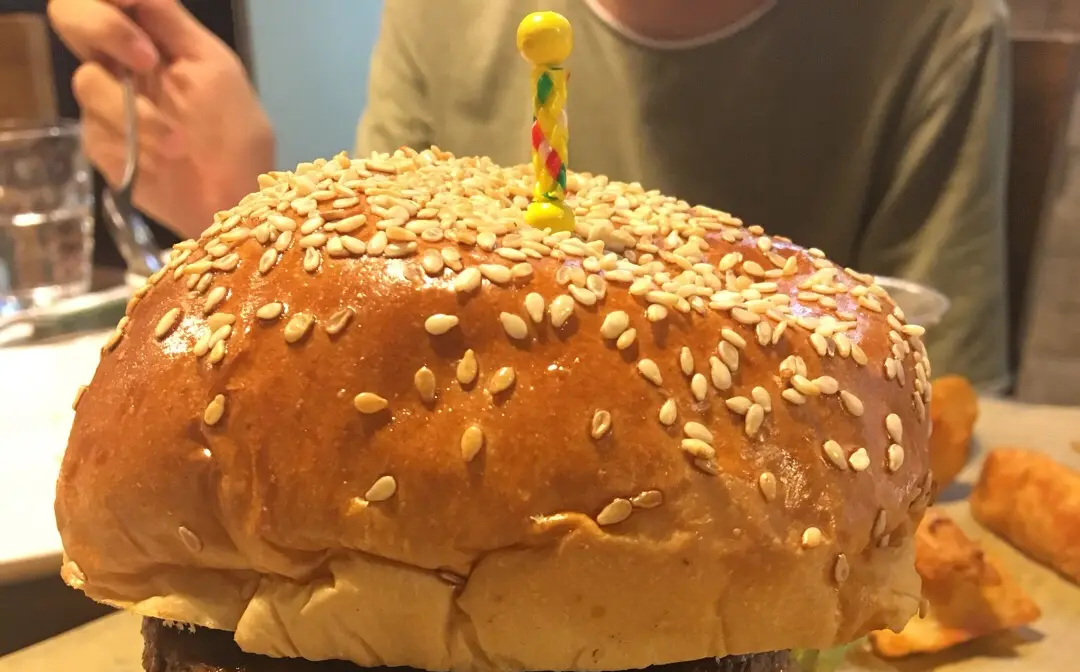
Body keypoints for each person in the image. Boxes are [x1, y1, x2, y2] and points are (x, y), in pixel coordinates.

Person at [47, 0, 1011, 387]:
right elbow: (371, 351)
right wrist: (233, 215)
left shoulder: (933, 31)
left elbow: (937, 406)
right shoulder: (440, 12)